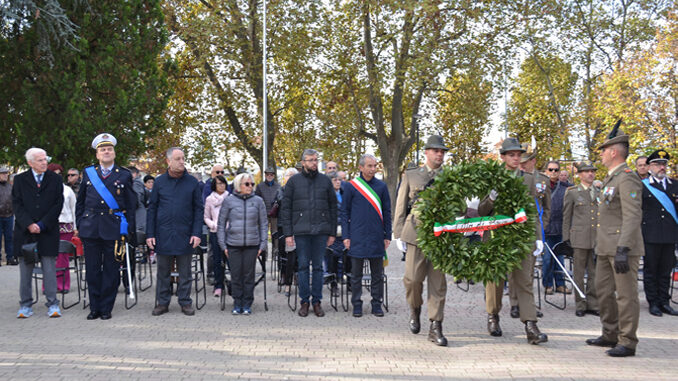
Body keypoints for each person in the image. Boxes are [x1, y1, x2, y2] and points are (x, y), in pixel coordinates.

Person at [481, 137, 548, 345]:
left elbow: (531, 211)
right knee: (495, 283)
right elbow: (482, 211)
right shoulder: (492, 178)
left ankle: (530, 325)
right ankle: (493, 316)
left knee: (524, 282)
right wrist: (491, 197)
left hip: (521, 237)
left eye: (519, 155)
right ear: (503, 157)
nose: (516, 158)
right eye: (512, 155)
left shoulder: (527, 179)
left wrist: (538, 237)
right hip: (497, 236)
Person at [586, 122, 642, 357]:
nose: (600, 155)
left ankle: (627, 340)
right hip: (606, 247)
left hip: (621, 248)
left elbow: (632, 215)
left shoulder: (627, 178)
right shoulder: (611, 179)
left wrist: (623, 248)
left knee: (626, 295)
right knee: (603, 291)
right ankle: (610, 333)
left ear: (613, 152)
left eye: (602, 151)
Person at [393, 135, 450, 346]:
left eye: (442, 151)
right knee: (413, 280)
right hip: (415, 234)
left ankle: (436, 326)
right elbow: (401, 206)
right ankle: (414, 309)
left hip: (440, 236)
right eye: (436, 151)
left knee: (438, 284)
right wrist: (398, 233)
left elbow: (460, 208)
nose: (439, 154)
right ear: (426, 152)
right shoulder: (412, 175)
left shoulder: (450, 177)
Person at [76, 133, 136, 320]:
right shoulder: (88, 172)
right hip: (91, 228)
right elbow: (81, 202)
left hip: (113, 228)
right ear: (97, 154)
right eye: (102, 149)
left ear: (114, 153)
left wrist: (129, 230)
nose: (106, 152)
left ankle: (106, 308)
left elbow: (131, 205)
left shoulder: (124, 175)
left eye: (109, 149)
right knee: (92, 270)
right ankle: (94, 307)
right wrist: (80, 223)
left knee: (111, 270)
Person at [280, 149, 337, 318]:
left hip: (321, 231)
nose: (314, 163)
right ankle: (304, 301)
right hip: (301, 231)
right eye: (310, 160)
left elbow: (333, 208)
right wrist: (288, 233)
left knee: (318, 267)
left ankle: (317, 301)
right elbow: (286, 209)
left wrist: (332, 232)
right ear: (303, 162)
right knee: (303, 266)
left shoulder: (325, 181)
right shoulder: (294, 182)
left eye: (316, 160)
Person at [147, 147, 203, 317]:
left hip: (185, 234)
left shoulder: (192, 182)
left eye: (183, 158)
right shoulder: (160, 182)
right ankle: (162, 303)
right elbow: (152, 209)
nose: (182, 162)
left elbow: (198, 209)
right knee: (163, 272)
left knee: (185, 272)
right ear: (168, 161)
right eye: (178, 159)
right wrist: (150, 234)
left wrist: (197, 233)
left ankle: (185, 302)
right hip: (163, 234)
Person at [14, 148, 64, 318]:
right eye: (40, 160)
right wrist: (29, 224)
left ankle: (53, 304)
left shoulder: (55, 179)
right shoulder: (20, 180)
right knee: (26, 270)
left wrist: (42, 224)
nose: (44, 163)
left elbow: (58, 204)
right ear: (30, 163)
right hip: (25, 232)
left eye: (45, 159)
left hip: (47, 230)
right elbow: (17, 205)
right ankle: (25, 305)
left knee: (49, 269)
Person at [341, 154, 391, 318]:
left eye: (374, 166)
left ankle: (376, 304)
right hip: (357, 236)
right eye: (369, 166)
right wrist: (346, 236)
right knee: (356, 275)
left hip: (377, 236)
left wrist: (387, 235)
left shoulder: (381, 187)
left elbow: (387, 212)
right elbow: (344, 212)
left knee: (377, 275)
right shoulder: (351, 187)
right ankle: (357, 304)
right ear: (361, 167)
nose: (373, 169)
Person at [217, 172, 267, 315]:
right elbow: (221, 224)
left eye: (252, 184)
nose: (250, 186)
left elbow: (263, 224)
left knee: (248, 276)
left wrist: (262, 245)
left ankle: (247, 303)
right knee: (236, 275)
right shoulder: (229, 201)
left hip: (252, 244)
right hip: (233, 244)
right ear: (239, 185)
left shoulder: (258, 201)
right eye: (247, 184)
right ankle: (237, 302)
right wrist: (223, 245)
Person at [511, 143, 551, 319]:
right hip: (515, 228)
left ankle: (528, 305)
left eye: (525, 161)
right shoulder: (517, 177)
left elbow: (546, 207)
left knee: (528, 271)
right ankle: (514, 303)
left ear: (533, 161)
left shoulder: (543, 180)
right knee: (513, 271)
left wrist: (541, 229)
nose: (521, 164)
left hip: (533, 228)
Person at [640, 149, 678, 317]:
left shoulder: (675, 185)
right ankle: (653, 302)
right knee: (651, 270)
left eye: (664, 164)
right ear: (650, 167)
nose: (661, 167)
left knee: (665, 271)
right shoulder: (642, 186)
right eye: (657, 164)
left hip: (670, 235)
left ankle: (665, 301)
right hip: (650, 235)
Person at [561, 161, 599, 317]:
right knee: (578, 273)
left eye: (592, 171)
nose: (590, 174)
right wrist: (566, 238)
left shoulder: (598, 191)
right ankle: (580, 304)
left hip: (595, 238)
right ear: (580, 174)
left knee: (594, 273)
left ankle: (593, 303)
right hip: (579, 238)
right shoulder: (572, 192)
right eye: (586, 171)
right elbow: (566, 216)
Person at [542, 160, 573, 295]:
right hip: (546, 228)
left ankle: (560, 284)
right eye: (550, 169)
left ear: (559, 172)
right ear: (545, 171)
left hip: (560, 227)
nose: (553, 172)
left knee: (560, 258)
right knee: (548, 258)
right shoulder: (540, 187)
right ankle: (547, 284)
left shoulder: (566, 188)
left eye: (556, 170)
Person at [48, 163, 76, 293]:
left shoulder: (67, 190)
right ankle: (48, 285)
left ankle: (63, 285)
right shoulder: (42, 190)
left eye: (59, 174)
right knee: (48, 256)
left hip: (65, 226)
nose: (56, 176)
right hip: (49, 226)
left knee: (62, 256)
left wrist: (76, 227)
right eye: (54, 173)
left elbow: (74, 209)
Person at [204, 175, 229, 297]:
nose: (221, 186)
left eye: (223, 183)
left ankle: (231, 284)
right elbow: (206, 217)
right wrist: (212, 225)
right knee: (217, 260)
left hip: (229, 232)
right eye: (219, 183)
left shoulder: (230, 197)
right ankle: (218, 285)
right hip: (215, 232)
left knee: (229, 259)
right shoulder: (209, 199)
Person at [278, 167, 298, 296]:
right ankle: (286, 281)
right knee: (287, 256)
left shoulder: (300, 190)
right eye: (288, 175)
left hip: (299, 226)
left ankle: (297, 278)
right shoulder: (281, 190)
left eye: (292, 175)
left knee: (298, 256)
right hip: (284, 227)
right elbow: (282, 202)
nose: (290, 177)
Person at [325, 171, 344, 296]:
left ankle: (344, 280)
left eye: (339, 180)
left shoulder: (344, 194)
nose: (338, 182)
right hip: (332, 232)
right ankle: (333, 285)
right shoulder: (326, 196)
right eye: (335, 180)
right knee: (332, 259)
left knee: (344, 258)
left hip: (344, 232)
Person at [255, 166, 282, 255]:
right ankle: (264, 252)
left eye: (271, 174)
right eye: (267, 174)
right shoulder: (260, 186)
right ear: (265, 175)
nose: (269, 176)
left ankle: (276, 252)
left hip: (275, 213)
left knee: (275, 233)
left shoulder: (278, 186)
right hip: (263, 213)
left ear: (274, 176)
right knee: (264, 233)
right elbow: (257, 200)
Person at [0, 166, 16, 266]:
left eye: (6, 173)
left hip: (9, 215)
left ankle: (10, 257)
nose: (5, 175)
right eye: (3, 173)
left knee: (9, 237)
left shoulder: (10, 186)